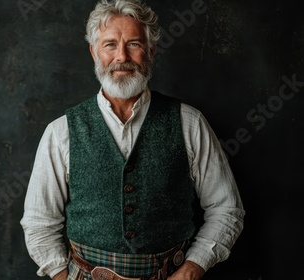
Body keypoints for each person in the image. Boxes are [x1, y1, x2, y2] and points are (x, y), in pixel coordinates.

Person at [20, 0, 245, 279]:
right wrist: (61, 275)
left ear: (151, 51)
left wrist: (190, 270)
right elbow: (38, 222)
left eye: (134, 44)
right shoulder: (60, 131)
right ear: (94, 52)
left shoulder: (190, 122)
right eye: (110, 44)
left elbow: (227, 209)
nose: (121, 56)